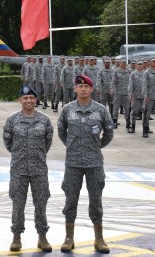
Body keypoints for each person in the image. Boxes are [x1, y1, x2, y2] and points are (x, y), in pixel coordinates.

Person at [57, 75, 113, 253]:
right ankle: (69, 237)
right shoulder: (67, 109)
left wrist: (96, 147)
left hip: (94, 163)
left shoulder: (101, 110)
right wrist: (72, 146)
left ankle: (99, 238)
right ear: (75, 89)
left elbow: (109, 133)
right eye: (79, 87)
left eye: (86, 87)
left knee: (96, 201)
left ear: (91, 89)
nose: (82, 89)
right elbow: (61, 131)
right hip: (73, 163)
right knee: (70, 200)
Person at [3, 86, 53, 252]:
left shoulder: (44, 120)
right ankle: (16, 237)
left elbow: (47, 142)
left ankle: (42, 236)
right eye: (25, 98)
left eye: (31, 98)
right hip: (19, 169)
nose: (29, 101)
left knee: (41, 204)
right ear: (20, 100)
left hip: (39, 169)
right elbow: (8, 143)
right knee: (18, 204)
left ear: (36, 100)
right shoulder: (12, 120)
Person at [111, 58, 131, 129]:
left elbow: (131, 83)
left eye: (124, 62)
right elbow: (113, 82)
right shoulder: (116, 71)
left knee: (127, 109)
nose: (123, 63)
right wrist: (114, 91)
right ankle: (115, 122)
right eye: (122, 62)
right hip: (118, 93)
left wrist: (130, 93)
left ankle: (128, 122)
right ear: (120, 63)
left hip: (126, 93)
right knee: (115, 109)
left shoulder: (129, 71)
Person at [128, 60, 145, 134]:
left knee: (146, 112)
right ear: (137, 65)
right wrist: (130, 94)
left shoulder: (146, 73)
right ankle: (133, 127)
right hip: (136, 95)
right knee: (134, 112)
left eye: (141, 64)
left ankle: (146, 127)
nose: (140, 65)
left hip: (145, 96)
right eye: (139, 64)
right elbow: (130, 85)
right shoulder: (133, 74)